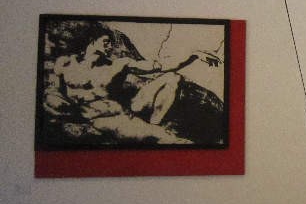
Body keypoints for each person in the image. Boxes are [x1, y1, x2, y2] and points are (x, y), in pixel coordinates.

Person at [44, 31, 222, 145]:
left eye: (111, 43)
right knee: (164, 139)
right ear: (92, 41)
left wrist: (193, 55)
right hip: (94, 117)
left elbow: (161, 66)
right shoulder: (66, 63)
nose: (110, 46)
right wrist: (58, 105)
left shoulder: (119, 64)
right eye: (106, 42)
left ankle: (155, 122)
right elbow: (52, 92)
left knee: (172, 78)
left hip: (120, 114)